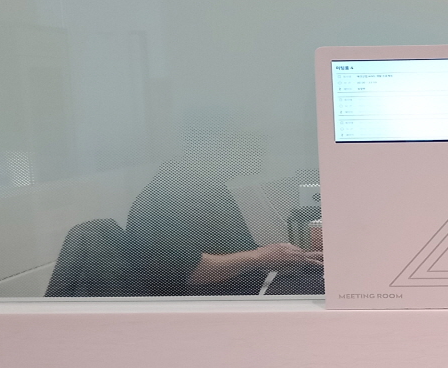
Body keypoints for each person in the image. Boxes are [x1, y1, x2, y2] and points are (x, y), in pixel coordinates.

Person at [121, 127, 321, 296]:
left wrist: (288, 257)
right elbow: (189, 271)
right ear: (219, 145)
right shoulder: (175, 190)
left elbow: (228, 250)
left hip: (244, 290)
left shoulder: (204, 184)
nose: (262, 149)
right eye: (253, 141)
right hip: (214, 305)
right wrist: (262, 257)